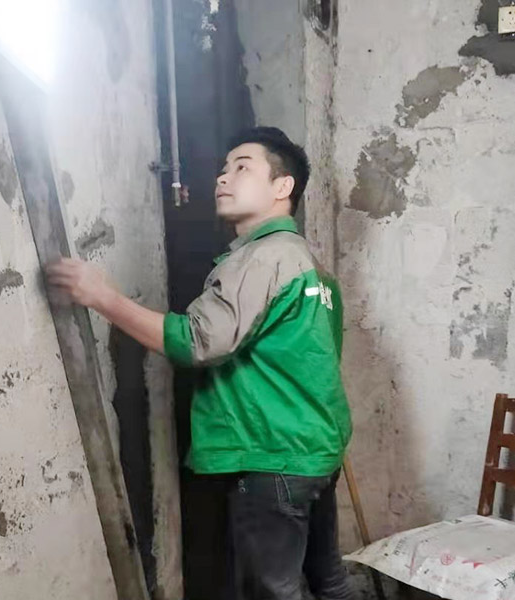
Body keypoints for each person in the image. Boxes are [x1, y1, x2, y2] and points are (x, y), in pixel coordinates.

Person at [47, 126, 355, 600]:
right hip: (312, 450)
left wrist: (102, 297)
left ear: (283, 187)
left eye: (242, 168)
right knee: (329, 581)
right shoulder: (309, 264)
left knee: (273, 591)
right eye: (223, 169)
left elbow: (196, 340)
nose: (223, 178)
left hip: (272, 455)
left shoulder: (262, 258)